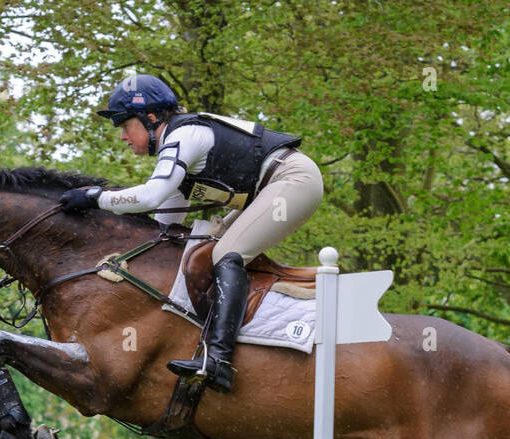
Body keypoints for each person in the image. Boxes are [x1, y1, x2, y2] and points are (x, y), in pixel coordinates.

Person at [62, 73, 324, 393]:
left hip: (293, 181)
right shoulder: (180, 156)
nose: (122, 137)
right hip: (268, 189)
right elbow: (163, 228)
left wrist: (96, 198)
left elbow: (149, 196)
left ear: (151, 117)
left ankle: (219, 362)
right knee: (199, 252)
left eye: (124, 124)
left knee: (225, 255)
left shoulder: (184, 137)